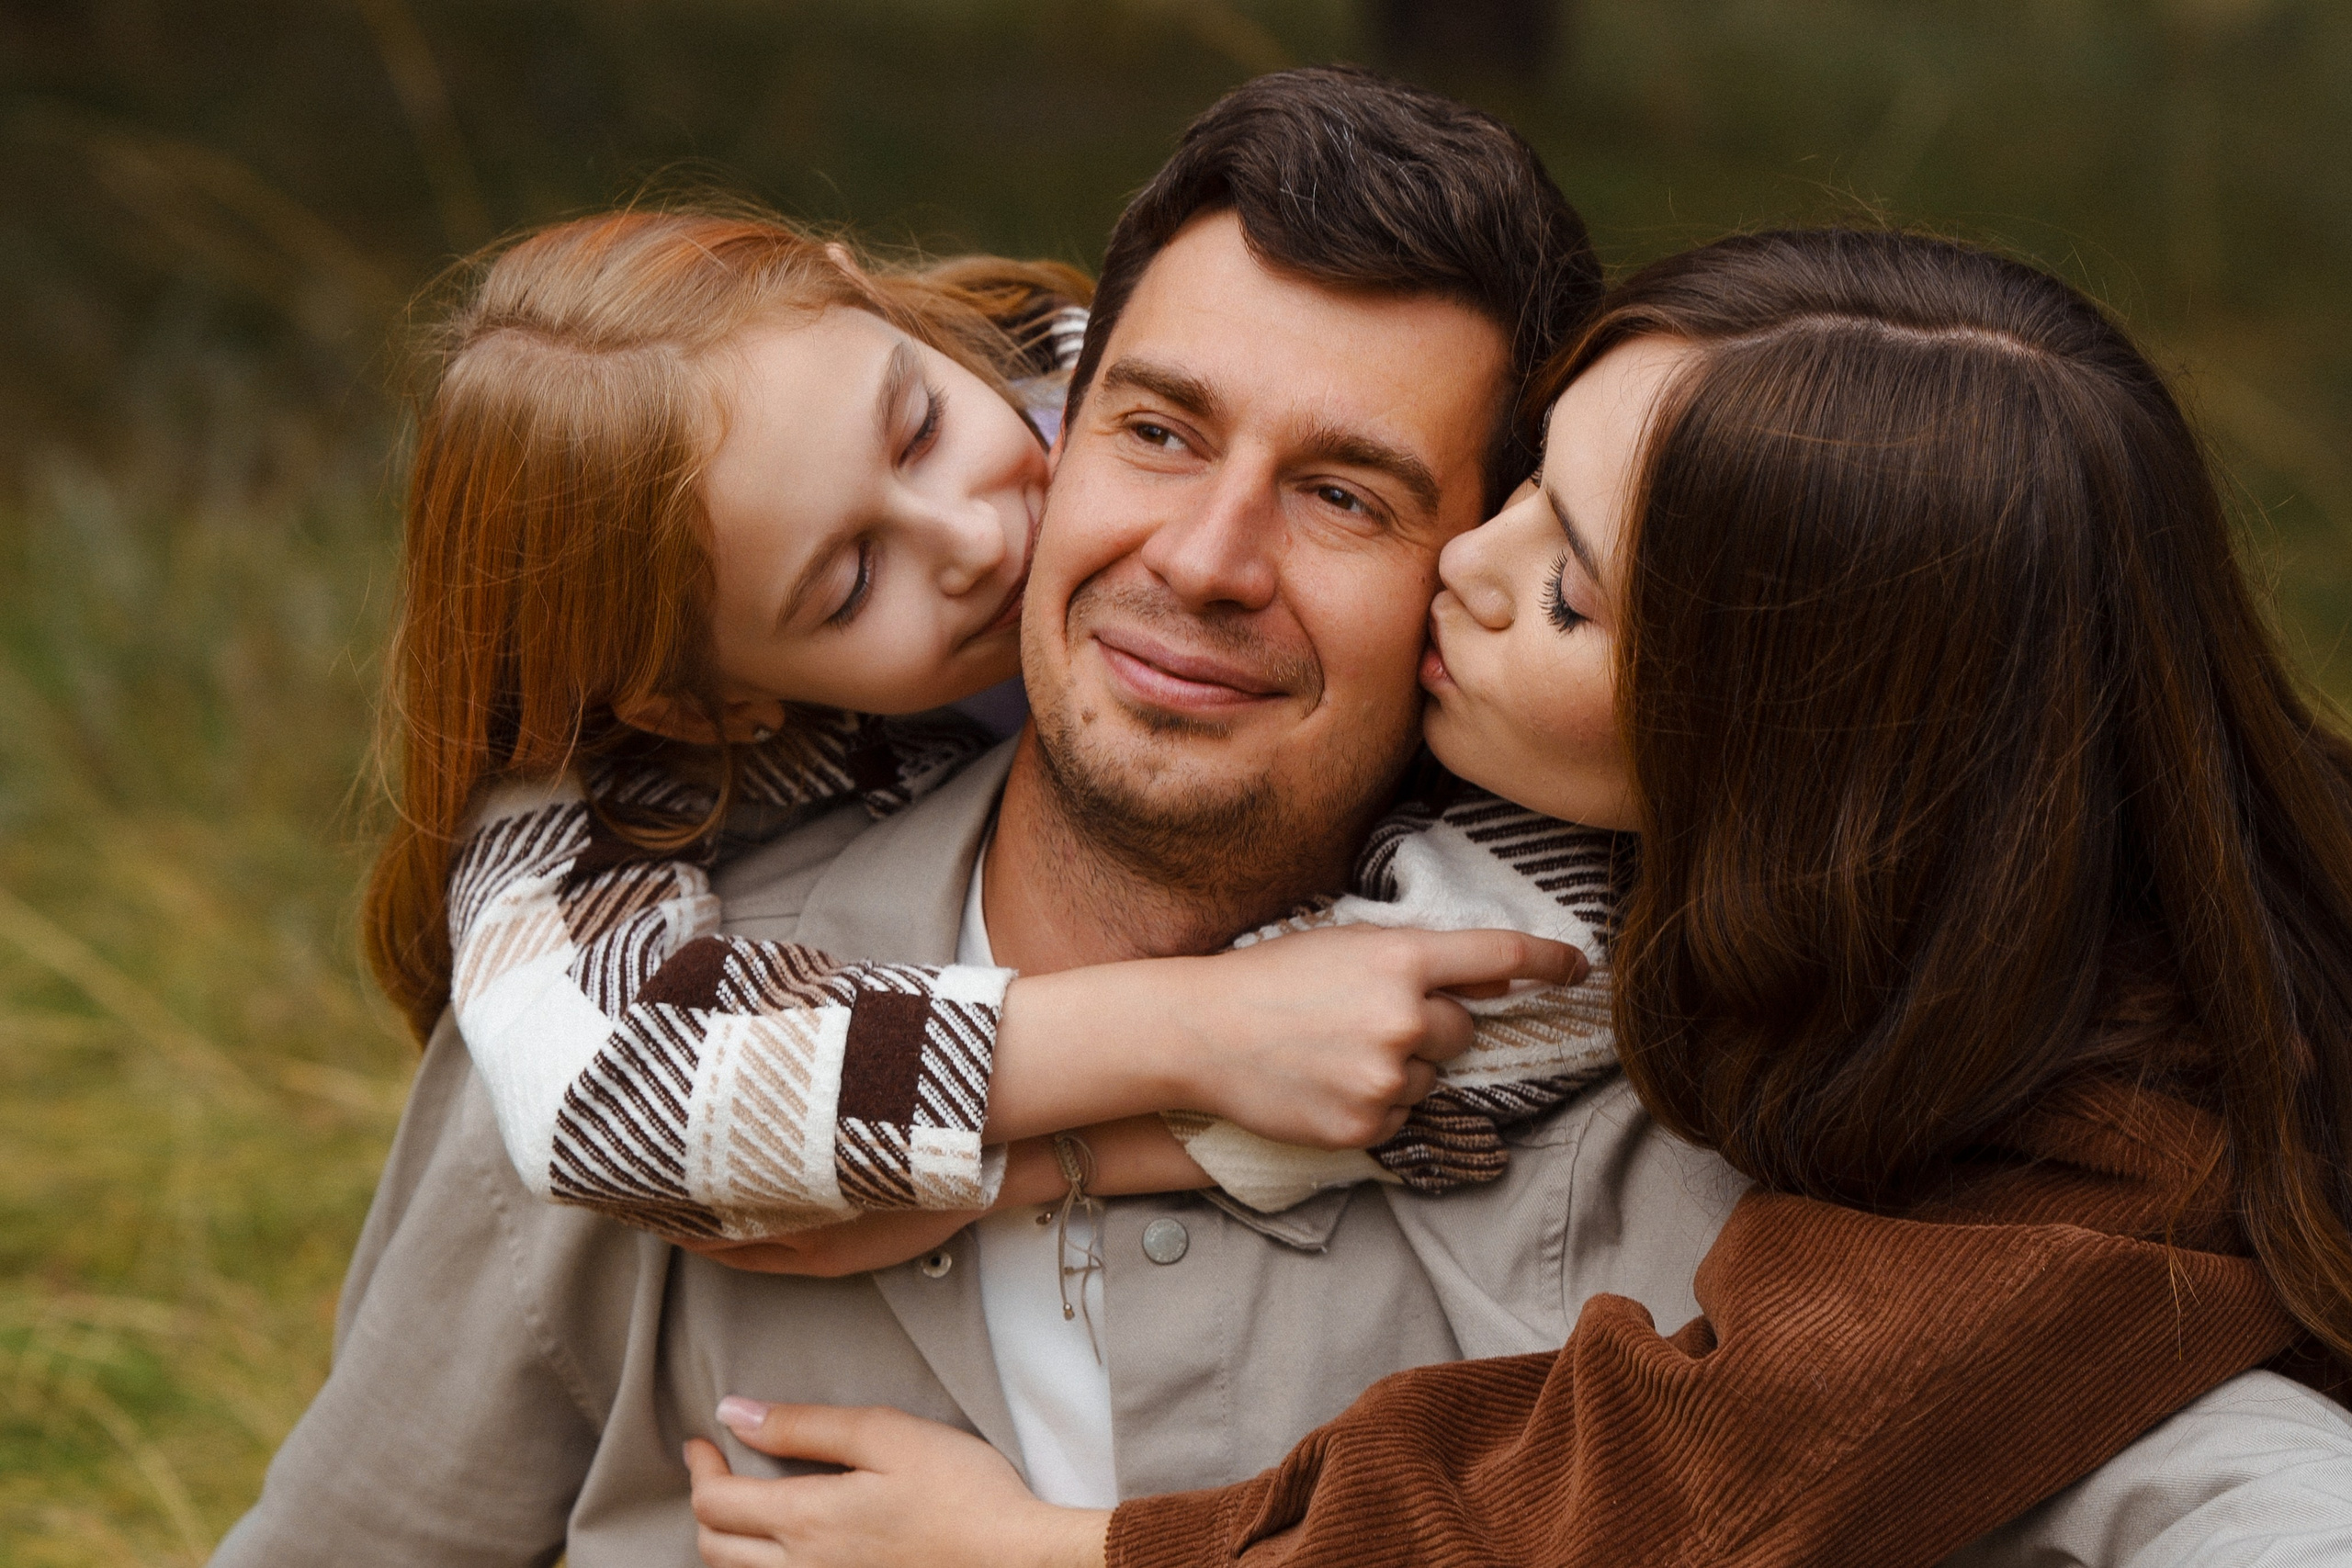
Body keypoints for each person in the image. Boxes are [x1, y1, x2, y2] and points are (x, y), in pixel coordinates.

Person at [683, 228, 2352, 1568]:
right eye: (1525, 477)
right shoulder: (1854, 883)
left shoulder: (2129, 1118)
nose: (1459, 561)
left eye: (1565, 589)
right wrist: (1029, 1147)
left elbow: (1665, 1493)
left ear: (1793, 745)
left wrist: (1053, 1552)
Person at [377, 202, 1597, 1258]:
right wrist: (1190, 1034)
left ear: (869, 295)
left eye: (917, 429)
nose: (971, 538)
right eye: (850, 583)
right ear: (705, 702)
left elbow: (1564, 973)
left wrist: (1048, 1168)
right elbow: (600, 1092)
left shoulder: (1141, 383)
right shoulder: (610, 780)